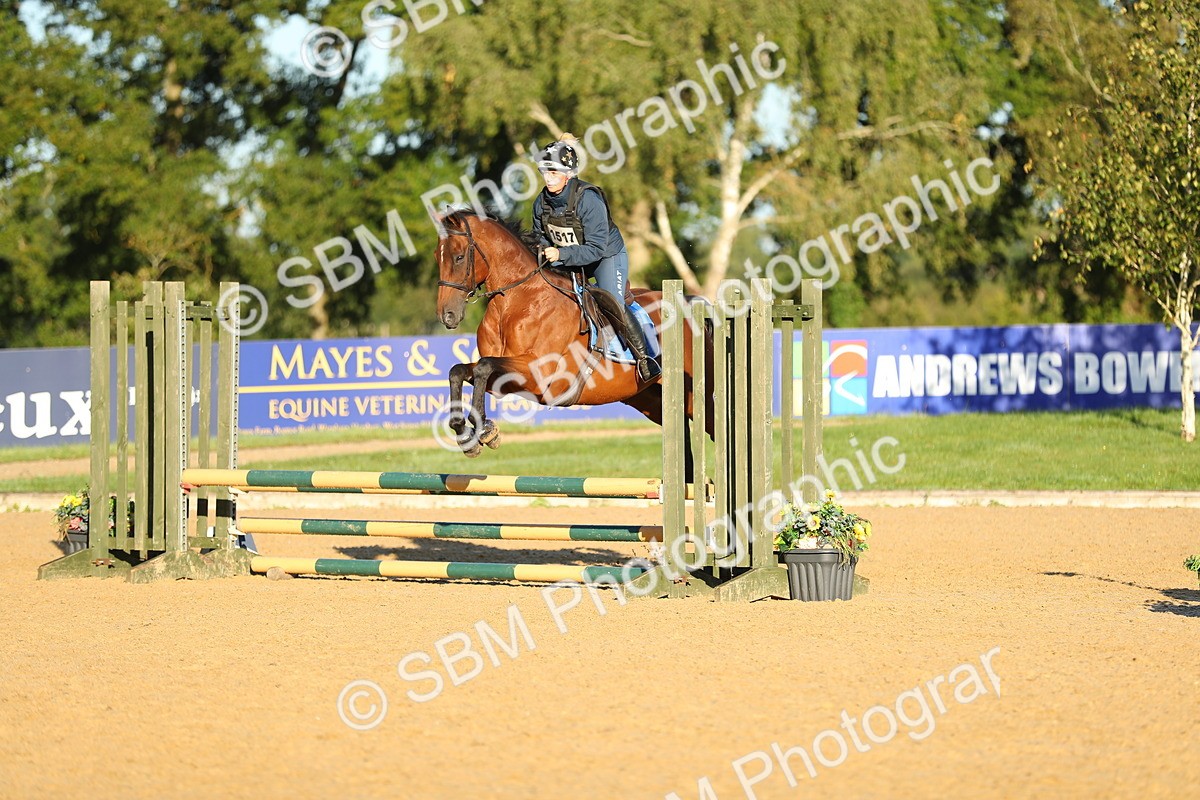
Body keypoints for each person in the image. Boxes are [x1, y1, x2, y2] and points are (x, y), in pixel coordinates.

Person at [531, 136, 657, 382]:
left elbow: (596, 249)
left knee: (612, 302)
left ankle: (645, 360)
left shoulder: (589, 199)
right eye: (544, 171)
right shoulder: (541, 203)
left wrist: (561, 254)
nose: (547, 177)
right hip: (568, 258)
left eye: (553, 172)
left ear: (567, 174)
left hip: (605, 256)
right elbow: (541, 239)